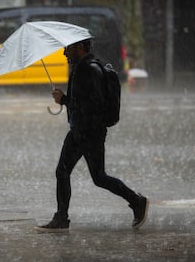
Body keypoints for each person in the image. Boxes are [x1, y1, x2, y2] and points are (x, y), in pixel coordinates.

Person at [35, 39, 149, 233]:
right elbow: (82, 102)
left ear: (80, 47)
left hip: (90, 132)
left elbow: (93, 105)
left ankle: (137, 201)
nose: (64, 53)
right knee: (63, 172)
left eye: (68, 48)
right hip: (79, 130)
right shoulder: (81, 67)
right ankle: (62, 217)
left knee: (99, 177)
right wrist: (66, 101)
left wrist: (64, 100)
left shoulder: (89, 70)